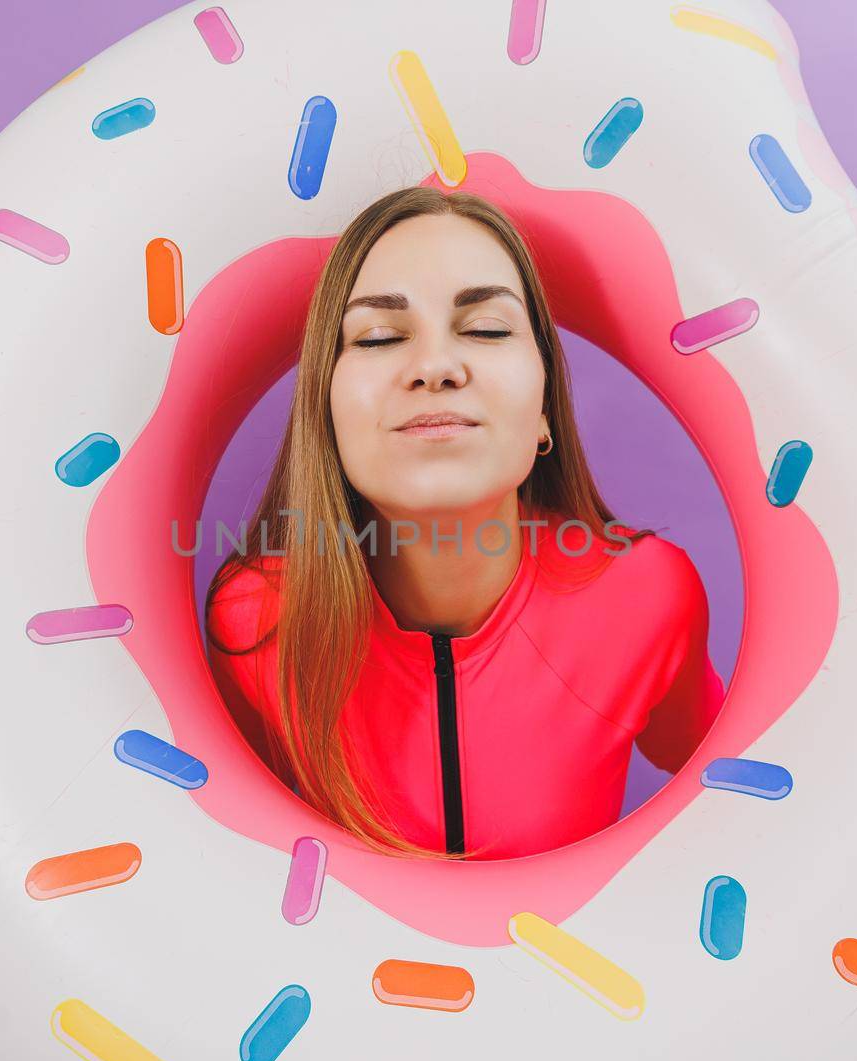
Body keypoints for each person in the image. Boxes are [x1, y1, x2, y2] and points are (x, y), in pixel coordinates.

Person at [203, 186, 725, 861]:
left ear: (544, 411)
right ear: (326, 413)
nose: (436, 367)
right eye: (380, 336)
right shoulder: (256, 617)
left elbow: (734, 797)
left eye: (486, 328)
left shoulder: (647, 595)